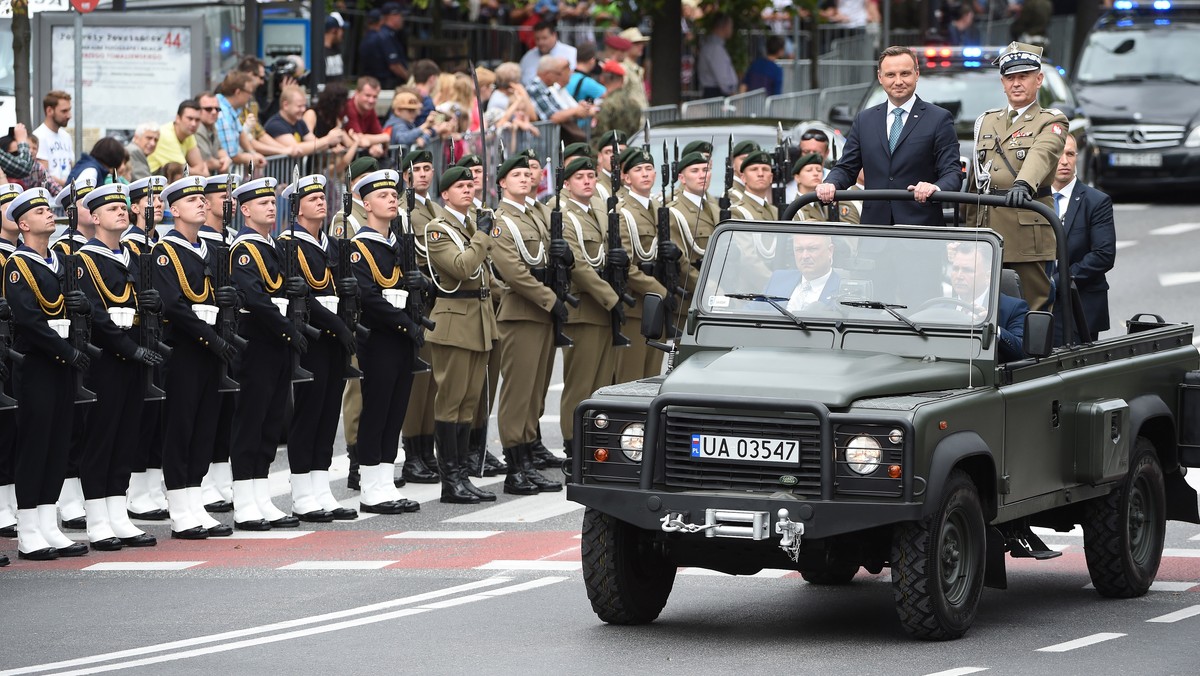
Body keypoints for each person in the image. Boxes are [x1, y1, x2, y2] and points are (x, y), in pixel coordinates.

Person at [76, 183, 166, 551]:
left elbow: (140, 309)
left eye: (121, 206)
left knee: (127, 437)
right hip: (106, 361)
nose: (119, 211)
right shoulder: (84, 260)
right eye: (109, 207)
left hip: (132, 359)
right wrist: (130, 349)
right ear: (94, 217)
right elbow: (95, 315)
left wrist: (153, 306)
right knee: (102, 439)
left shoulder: (132, 255)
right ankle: (98, 519)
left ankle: (119, 513)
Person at [4, 188, 92, 560]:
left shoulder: (61, 260)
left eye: (48, 209)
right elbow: (29, 319)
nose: (49, 214)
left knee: (58, 444)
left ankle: (47, 523)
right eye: (40, 211)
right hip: (37, 364)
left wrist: (81, 308)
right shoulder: (18, 265)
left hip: (62, 365)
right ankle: (27, 531)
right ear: (23, 224)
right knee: (36, 445)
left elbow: (70, 312)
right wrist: (67, 351)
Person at [153, 175, 239, 540]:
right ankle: (178, 508)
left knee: (205, 427)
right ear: (174, 210)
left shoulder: (213, 250)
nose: (202, 204)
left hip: (211, 348)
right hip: (185, 349)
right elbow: (174, 304)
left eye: (203, 199)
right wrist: (210, 339)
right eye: (192, 201)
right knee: (181, 426)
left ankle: (194, 500)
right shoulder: (164, 251)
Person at [963, 41, 1067, 313]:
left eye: (1024, 76)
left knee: (1033, 306)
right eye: (1010, 78)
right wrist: (968, 232)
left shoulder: (1050, 120)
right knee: (984, 306)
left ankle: (1034, 356)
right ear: (1002, 82)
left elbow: (1042, 153)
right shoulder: (986, 121)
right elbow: (978, 180)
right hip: (987, 231)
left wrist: (1023, 183)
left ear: (1039, 79)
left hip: (1027, 228)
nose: (1016, 83)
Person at [226, 177, 304, 530]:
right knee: (251, 421)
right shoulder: (244, 248)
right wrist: (288, 329)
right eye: (262, 204)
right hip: (257, 343)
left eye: (273, 203)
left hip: (276, 344)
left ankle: (261, 495)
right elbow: (255, 298)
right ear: (244, 210)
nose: (271, 208)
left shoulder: (272, 245)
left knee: (271, 422)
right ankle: (244, 500)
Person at [279, 174, 358, 521]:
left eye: (323, 198)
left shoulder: (332, 244)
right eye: (312, 199)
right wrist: (336, 324)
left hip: (334, 339)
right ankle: (301, 493)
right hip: (310, 336)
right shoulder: (288, 243)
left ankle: (321, 486)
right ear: (296, 207)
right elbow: (303, 296)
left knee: (328, 414)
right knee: (309, 414)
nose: (321, 203)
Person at [348, 169, 423, 514]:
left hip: (404, 338)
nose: (392, 199)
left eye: (394, 195)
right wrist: (404, 323)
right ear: (366, 204)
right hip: (379, 338)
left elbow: (410, 291)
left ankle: (385, 481)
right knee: (377, 410)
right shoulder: (359, 247)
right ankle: (369, 487)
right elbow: (368, 296)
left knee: (396, 412)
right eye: (383, 196)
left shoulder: (400, 244)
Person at [818, 46, 961, 226]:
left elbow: (952, 173)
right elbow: (847, 167)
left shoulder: (939, 119)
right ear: (880, 77)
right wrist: (831, 183)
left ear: (917, 74)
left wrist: (935, 188)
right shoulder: (865, 119)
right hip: (875, 231)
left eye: (905, 74)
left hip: (921, 231)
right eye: (891, 75)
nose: (898, 81)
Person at [425, 166, 500, 504]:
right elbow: (462, 267)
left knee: (469, 404)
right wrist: (482, 237)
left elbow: (486, 272)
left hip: (479, 321)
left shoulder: (471, 225)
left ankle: (462, 476)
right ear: (445, 194)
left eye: (470, 185)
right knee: (451, 402)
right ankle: (449, 481)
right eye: (460, 186)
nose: (468, 190)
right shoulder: (437, 230)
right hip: (455, 323)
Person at [492, 153, 566, 493]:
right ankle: (515, 467)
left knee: (535, 390)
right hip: (521, 313)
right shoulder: (499, 220)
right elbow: (513, 272)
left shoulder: (535, 214)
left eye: (527, 174)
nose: (524, 179)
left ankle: (527, 460)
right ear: (502, 183)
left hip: (540, 314)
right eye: (516, 175)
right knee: (518, 394)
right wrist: (551, 300)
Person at [559, 154, 622, 457]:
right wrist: (613, 298)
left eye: (591, 176)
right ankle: (573, 447)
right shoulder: (566, 216)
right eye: (580, 177)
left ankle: (593, 445)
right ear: (567, 183)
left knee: (600, 386)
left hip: (601, 309)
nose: (587, 182)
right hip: (584, 309)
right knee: (580, 385)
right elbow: (579, 266)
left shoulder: (596, 213)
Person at [122, 176, 171, 522]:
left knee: (157, 417)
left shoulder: (160, 244)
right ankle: (136, 491)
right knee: (139, 417)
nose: (157, 206)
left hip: (159, 336)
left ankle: (153, 488)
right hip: (136, 337)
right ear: (135, 207)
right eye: (149, 200)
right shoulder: (129, 245)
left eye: (160, 201)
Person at [616, 147, 678, 383]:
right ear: (626, 177)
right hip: (637, 308)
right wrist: (661, 292)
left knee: (652, 378)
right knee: (631, 378)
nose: (645, 174)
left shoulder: (659, 209)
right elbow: (627, 267)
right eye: (638, 169)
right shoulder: (623, 213)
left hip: (657, 307)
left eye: (649, 169)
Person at [1051, 134, 1115, 343]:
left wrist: (1057, 282)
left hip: (1080, 305)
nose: (1064, 161)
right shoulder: (1033, 199)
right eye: (1058, 154)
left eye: (1070, 154)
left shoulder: (1097, 201)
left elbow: (1103, 255)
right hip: (1040, 305)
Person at [947, 242, 1026, 362]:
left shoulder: (1013, 308)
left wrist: (993, 329)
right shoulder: (939, 307)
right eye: (955, 268)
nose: (959, 275)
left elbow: (1023, 352)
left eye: (967, 270)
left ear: (988, 276)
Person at [667, 151, 719, 298]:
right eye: (695, 171)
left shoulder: (715, 209)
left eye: (706, 170)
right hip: (691, 295)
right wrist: (709, 288)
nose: (702, 175)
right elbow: (681, 262)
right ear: (682, 178)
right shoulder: (674, 212)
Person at [527, 56, 597, 142]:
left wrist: (577, 109)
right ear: (548, 74)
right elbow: (554, 117)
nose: (558, 78)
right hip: (541, 141)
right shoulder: (535, 88)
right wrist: (576, 110)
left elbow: (560, 110)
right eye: (557, 74)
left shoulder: (544, 88)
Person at [764, 234, 843, 310]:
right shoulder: (778, 279)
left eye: (812, 249)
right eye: (799, 249)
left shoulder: (843, 290)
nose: (805, 256)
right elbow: (754, 315)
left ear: (830, 251)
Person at [264, 86, 346, 156]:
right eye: (299, 106)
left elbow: (313, 142)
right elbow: (296, 149)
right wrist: (327, 140)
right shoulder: (275, 125)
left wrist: (331, 146)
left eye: (304, 105)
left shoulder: (299, 122)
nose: (303, 109)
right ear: (285, 105)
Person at [214, 72, 268, 170]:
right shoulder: (222, 113)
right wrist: (250, 158)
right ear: (238, 92)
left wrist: (252, 152)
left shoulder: (230, 109)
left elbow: (241, 133)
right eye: (249, 92)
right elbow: (230, 155)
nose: (250, 97)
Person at [147, 100, 208, 177]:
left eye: (197, 120)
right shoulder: (166, 134)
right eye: (190, 118)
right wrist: (204, 174)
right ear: (178, 118)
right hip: (153, 179)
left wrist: (197, 171)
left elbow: (199, 166)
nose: (193, 124)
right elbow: (181, 170)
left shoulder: (189, 134)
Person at [795, 152, 859, 223]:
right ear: (797, 177)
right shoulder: (796, 209)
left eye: (819, 170)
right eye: (809, 170)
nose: (816, 174)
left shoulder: (824, 205)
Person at [359, 3, 409, 89]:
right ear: (392, 16)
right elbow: (394, 65)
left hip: (375, 81)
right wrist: (409, 79)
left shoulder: (377, 34)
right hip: (384, 83)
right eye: (400, 15)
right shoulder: (384, 36)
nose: (402, 19)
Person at [33, 91, 74, 188]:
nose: (69, 115)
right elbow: (43, 175)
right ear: (49, 111)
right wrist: (69, 185)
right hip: (50, 199)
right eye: (64, 111)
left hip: (67, 197)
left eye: (69, 110)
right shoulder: (39, 136)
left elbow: (70, 167)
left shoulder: (66, 136)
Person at [343, 77, 391, 159]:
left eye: (375, 97)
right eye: (367, 95)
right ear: (357, 93)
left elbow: (378, 134)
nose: (371, 100)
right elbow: (361, 140)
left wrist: (376, 144)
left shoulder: (369, 109)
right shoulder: (348, 108)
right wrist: (385, 137)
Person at [520, 21, 578, 86]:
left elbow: (572, 78)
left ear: (554, 35)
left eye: (544, 38)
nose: (540, 42)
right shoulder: (528, 57)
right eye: (537, 39)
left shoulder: (570, 52)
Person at [696, 13, 738, 98]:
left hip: (717, 92)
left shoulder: (714, 47)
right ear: (724, 27)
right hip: (717, 93)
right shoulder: (715, 48)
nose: (731, 30)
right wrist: (731, 92)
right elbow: (722, 77)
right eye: (730, 27)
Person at [193, 92, 233, 176]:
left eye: (217, 109)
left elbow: (219, 148)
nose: (214, 112)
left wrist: (225, 158)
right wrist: (223, 163)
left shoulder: (212, 126)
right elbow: (207, 161)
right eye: (208, 109)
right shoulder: (196, 128)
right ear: (197, 110)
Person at [731, 151, 777, 221]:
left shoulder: (776, 211)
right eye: (754, 169)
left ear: (771, 178)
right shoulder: (738, 212)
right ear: (743, 178)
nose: (760, 174)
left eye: (765, 169)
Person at [617, 27, 651, 105]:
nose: (641, 46)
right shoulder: (623, 67)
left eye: (641, 43)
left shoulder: (636, 68)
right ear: (625, 46)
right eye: (636, 43)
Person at [593, 129, 626, 202]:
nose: (614, 156)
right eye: (608, 152)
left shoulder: (629, 182)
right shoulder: (596, 187)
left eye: (620, 151)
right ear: (600, 157)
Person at [324, 13, 346, 80]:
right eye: (341, 30)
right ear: (334, 30)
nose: (343, 33)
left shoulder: (337, 49)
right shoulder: (319, 53)